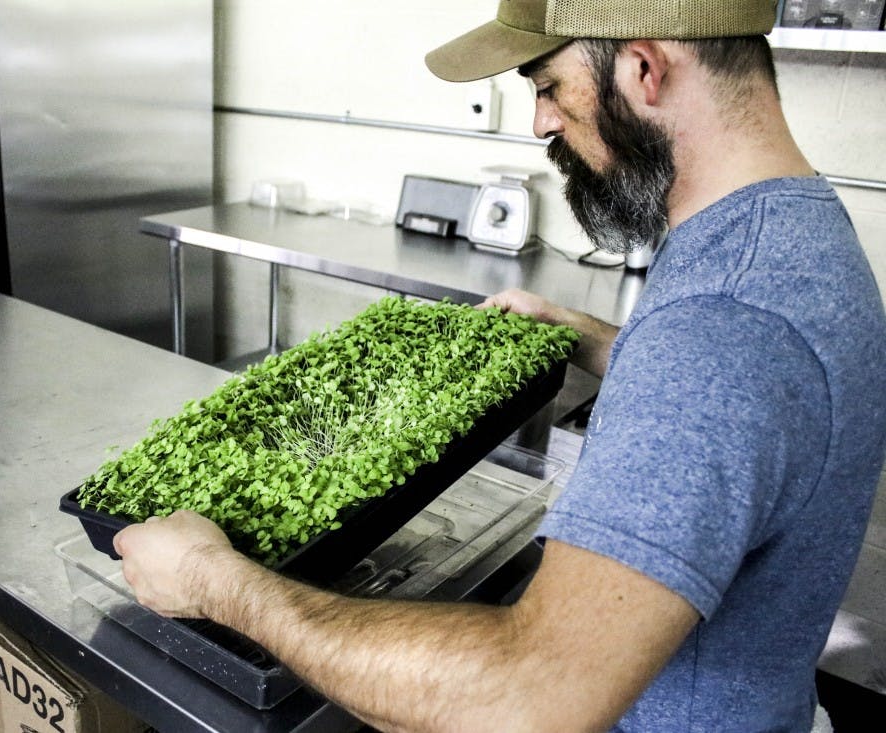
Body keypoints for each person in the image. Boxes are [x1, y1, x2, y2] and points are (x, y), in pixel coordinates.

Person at [113, 1, 886, 730]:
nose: (541, 121)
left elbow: (525, 701)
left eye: (549, 86)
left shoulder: (723, 327)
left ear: (645, 71)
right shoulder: (791, 234)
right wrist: (595, 338)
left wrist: (221, 585)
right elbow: (754, 413)